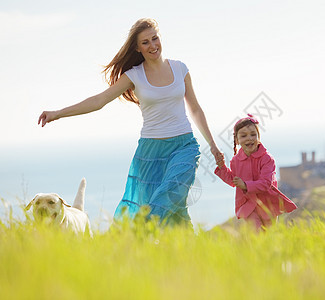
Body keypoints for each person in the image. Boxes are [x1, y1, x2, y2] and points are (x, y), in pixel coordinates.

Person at [38, 18, 222, 226]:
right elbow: (99, 100)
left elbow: (195, 109)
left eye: (155, 38)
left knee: (168, 194)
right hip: (150, 152)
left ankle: (140, 232)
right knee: (174, 208)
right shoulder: (134, 75)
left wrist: (213, 146)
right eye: (145, 42)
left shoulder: (180, 69)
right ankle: (185, 249)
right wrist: (58, 113)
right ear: (137, 48)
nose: (153, 45)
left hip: (184, 146)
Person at [215, 114, 297, 230]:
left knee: (269, 236)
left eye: (253, 134)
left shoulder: (267, 159)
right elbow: (233, 181)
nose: (249, 138)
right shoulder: (235, 160)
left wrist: (245, 185)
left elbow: (266, 183)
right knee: (256, 233)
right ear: (237, 140)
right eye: (244, 136)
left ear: (258, 137)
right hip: (248, 205)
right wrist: (222, 167)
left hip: (268, 204)